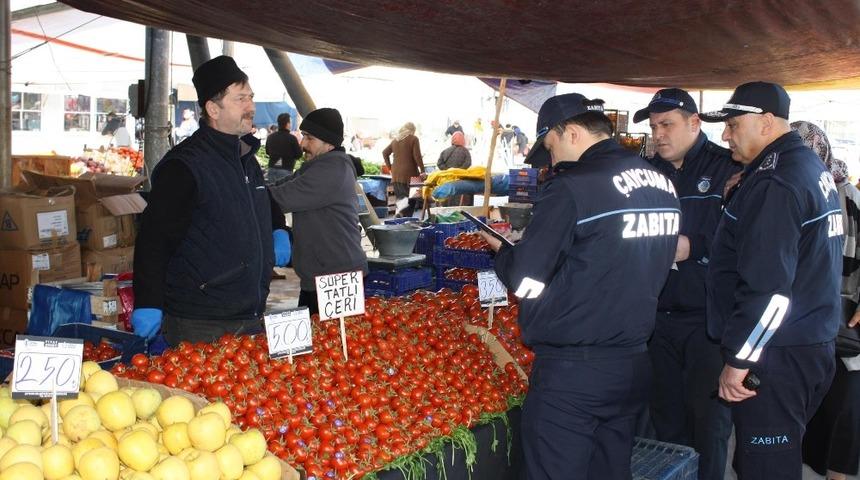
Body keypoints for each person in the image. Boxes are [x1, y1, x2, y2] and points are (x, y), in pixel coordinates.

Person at [481, 93, 680, 479]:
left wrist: (505, 253)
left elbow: (526, 280)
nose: (552, 162)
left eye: (551, 149)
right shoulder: (661, 184)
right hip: (634, 361)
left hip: (574, 373)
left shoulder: (572, 187)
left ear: (570, 133)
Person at [701, 82, 842, 479]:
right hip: (806, 343)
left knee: (767, 468)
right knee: (761, 461)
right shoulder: (806, 167)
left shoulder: (776, 182)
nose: (726, 135)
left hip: (779, 353)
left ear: (766, 123)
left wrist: (740, 360)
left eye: (733, 124)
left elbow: (769, 291)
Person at [130, 56, 292, 345]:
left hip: (250, 313)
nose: (251, 107)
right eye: (240, 99)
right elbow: (154, 239)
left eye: (251, 97)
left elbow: (260, 197)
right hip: (202, 322)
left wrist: (278, 227)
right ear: (213, 109)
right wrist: (148, 299)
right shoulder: (184, 166)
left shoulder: (245, 158)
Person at [632, 88, 740, 480]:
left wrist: (694, 246)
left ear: (695, 123)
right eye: (654, 126)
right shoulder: (644, 174)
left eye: (668, 125)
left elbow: (748, 239)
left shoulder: (729, 166)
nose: (659, 134)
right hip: (656, 318)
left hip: (707, 321)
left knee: (708, 425)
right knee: (666, 420)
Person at [795, 122, 860, 480]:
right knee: (816, 409)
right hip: (808, 322)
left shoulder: (848, 194)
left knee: (845, 409)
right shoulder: (794, 189)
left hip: (846, 325)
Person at [268, 108, 368, 315]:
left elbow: (278, 198)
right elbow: (276, 188)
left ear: (329, 143)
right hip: (318, 275)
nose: (302, 144)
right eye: (303, 136)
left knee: (332, 343)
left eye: (309, 138)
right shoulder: (315, 166)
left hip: (336, 278)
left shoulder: (332, 170)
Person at [382, 122, 425, 216]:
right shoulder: (413, 139)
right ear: (413, 130)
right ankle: (403, 220)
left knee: (402, 201)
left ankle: (401, 218)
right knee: (412, 201)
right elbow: (417, 156)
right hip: (412, 177)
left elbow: (385, 152)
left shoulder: (395, 141)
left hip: (396, 177)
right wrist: (423, 171)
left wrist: (390, 168)